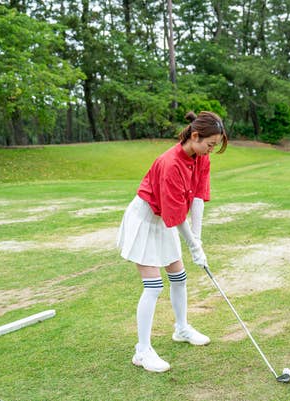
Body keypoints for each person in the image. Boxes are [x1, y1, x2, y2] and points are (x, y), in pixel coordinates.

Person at [117, 111, 227, 373]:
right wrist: (193, 246)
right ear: (195, 136)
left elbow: (198, 198)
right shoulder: (170, 164)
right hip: (145, 220)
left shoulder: (201, 158)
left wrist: (197, 240)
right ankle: (142, 351)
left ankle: (181, 328)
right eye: (210, 144)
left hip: (165, 220)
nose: (211, 150)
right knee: (154, 287)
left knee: (179, 277)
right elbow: (176, 217)